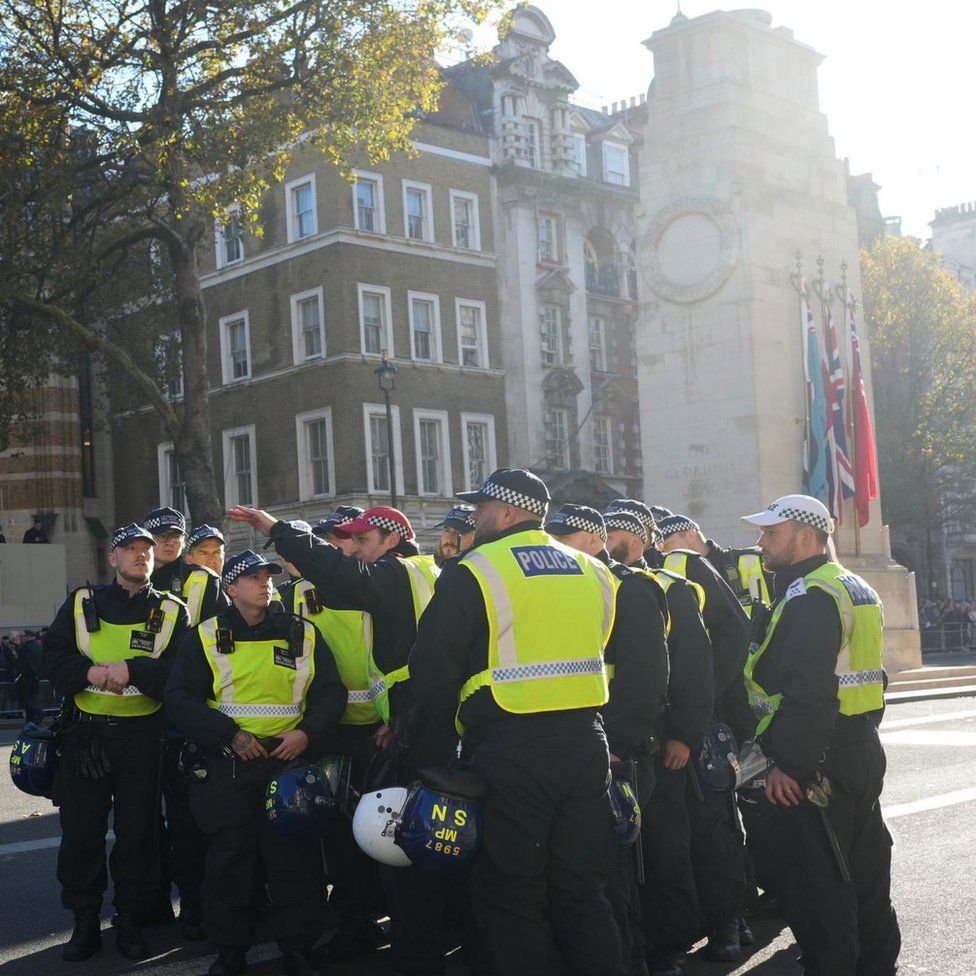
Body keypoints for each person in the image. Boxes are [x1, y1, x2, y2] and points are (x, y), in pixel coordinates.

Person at [409, 469, 627, 976]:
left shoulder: (476, 568)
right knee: (583, 890)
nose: (475, 517)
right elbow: (599, 643)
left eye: (481, 508)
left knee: (512, 894)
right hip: (585, 741)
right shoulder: (592, 569)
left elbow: (432, 669)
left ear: (507, 511)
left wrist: (437, 746)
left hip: (510, 746)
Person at [228, 504, 448, 976]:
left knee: (388, 835)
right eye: (335, 539)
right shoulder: (422, 574)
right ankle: (377, 925)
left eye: (353, 540)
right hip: (356, 727)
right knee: (360, 835)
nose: (343, 548)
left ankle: (410, 942)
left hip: (386, 731)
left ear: (389, 540)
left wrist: (278, 530)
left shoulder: (390, 577)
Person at [739, 494, 900, 976]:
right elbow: (871, 676)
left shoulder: (811, 595)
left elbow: (810, 691)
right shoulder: (854, 586)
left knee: (821, 889)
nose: (761, 542)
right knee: (867, 877)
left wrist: (789, 764)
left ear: (805, 536)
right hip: (857, 746)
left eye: (772, 533)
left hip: (820, 757)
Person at [165, 549, 347, 976]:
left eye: (268, 576)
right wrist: (230, 735)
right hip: (232, 763)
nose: (264, 582)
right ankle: (230, 951)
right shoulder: (206, 635)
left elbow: (330, 693)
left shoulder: (304, 632)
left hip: (289, 761)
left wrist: (307, 733)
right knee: (231, 861)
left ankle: (297, 948)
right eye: (252, 577)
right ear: (230, 588)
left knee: (294, 862)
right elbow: (179, 698)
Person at [42, 523, 189, 962]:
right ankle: (84, 923)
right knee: (81, 835)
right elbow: (52, 656)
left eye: (146, 550)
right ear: (113, 558)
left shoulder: (172, 610)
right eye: (130, 549)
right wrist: (87, 673)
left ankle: (129, 921)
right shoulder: (82, 602)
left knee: (137, 837)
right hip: (86, 736)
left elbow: (182, 676)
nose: (140, 555)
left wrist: (134, 670)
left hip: (142, 740)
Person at [546, 503, 670, 967]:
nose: (555, 547)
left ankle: (633, 960)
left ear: (595, 540)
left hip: (618, 752)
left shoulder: (631, 588)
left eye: (566, 539)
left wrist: (617, 745)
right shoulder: (565, 583)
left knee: (617, 878)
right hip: (578, 748)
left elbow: (646, 676)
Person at [603, 508, 714, 976]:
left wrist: (684, 735)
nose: (611, 537)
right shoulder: (601, 583)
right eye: (605, 530)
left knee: (663, 850)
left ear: (644, 538)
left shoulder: (669, 587)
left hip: (660, 741)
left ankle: (669, 948)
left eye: (620, 530)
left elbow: (693, 670)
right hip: (618, 744)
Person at [280, 505, 387, 965]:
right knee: (338, 838)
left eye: (341, 541)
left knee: (381, 830)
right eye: (326, 541)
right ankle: (352, 921)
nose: (333, 548)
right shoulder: (294, 594)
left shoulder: (378, 585)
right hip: (324, 731)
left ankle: (382, 915)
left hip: (377, 733)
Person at [654, 514, 754, 961]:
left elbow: (735, 631)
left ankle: (727, 922)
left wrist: (703, 697)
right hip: (658, 727)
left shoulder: (684, 565)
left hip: (698, 723)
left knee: (712, 826)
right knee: (674, 835)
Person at [146, 510, 232, 937]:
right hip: (142, 719)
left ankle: (195, 906)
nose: (168, 543)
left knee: (188, 818)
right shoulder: (134, 585)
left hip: (186, 714)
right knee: (143, 821)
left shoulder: (202, 581)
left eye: (174, 536)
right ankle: (153, 902)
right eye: (160, 537)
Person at [656, 514, 773, 615]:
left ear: (691, 535)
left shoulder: (753, 558)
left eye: (668, 546)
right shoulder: (677, 577)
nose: (664, 554)